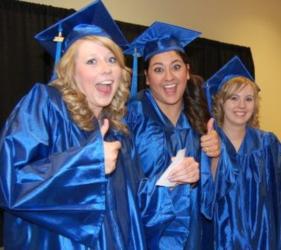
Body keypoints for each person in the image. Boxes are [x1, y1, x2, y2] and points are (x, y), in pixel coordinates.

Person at [0, 1, 175, 249]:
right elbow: (11, 182)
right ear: (70, 70)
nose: (106, 69)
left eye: (112, 60)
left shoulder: (119, 130)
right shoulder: (45, 105)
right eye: (92, 61)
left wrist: (168, 182)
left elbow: (133, 205)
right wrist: (89, 163)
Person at [125, 21, 220, 250]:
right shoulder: (132, 116)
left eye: (176, 67)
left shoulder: (199, 120)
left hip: (194, 238)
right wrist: (168, 180)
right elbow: (121, 188)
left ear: (187, 72)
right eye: (158, 69)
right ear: (147, 77)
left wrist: (215, 157)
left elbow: (212, 197)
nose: (169, 77)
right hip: (146, 237)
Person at [204, 56, 281, 250]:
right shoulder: (208, 142)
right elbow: (205, 199)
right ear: (221, 102)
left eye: (249, 99)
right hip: (220, 238)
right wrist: (214, 157)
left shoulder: (267, 143)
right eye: (234, 98)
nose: (241, 105)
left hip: (262, 238)